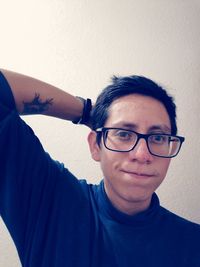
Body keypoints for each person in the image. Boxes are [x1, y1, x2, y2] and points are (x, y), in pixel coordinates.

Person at [0, 69, 199, 267]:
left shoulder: (193, 243)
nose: (142, 155)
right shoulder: (48, 203)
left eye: (157, 138)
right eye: (123, 134)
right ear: (96, 145)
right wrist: (86, 111)